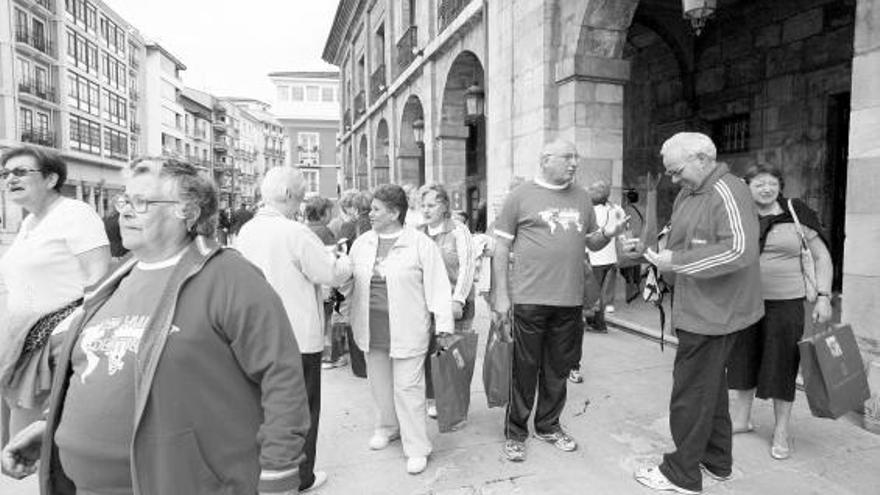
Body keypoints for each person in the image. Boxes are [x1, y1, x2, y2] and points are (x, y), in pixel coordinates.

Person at [1, 157, 311, 495]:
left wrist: (279, 476)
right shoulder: (116, 279)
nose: (126, 212)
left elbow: (282, 378)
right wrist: (49, 425)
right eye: (125, 200)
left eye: (142, 202)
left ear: (188, 213)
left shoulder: (231, 278)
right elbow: (89, 365)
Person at [634, 132, 763, 494]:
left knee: (690, 393)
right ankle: (717, 461)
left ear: (702, 159)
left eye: (676, 171)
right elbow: (677, 240)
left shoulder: (728, 190)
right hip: (699, 306)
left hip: (715, 313)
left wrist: (679, 261)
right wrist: (651, 250)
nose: (673, 179)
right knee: (710, 388)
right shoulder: (690, 192)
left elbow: (739, 250)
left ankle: (681, 474)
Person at [492, 138, 627, 462]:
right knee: (524, 370)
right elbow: (500, 249)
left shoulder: (581, 198)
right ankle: (515, 432)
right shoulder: (519, 197)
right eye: (567, 157)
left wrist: (609, 232)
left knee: (557, 369)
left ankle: (548, 425)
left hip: (570, 301)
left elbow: (592, 244)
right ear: (545, 160)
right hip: (529, 299)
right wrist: (501, 296)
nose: (574, 163)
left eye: (576, 157)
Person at [236, 168, 352, 493]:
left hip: (254, 337)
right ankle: (301, 476)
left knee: (264, 408)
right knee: (302, 409)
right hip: (297, 335)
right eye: (299, 198)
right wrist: (347, 263)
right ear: (287, 195)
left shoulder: (246, 232)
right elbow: (329, 272)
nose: (299, 205)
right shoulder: (294, 232)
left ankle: (265, 471)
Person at [341, 184, 453, 475]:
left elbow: (438, 288)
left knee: (408, 389)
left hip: (408, 327)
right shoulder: (362, 242)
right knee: (379, 384)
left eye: (377, 209)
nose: (371, 214)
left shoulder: (420, 244)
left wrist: (443, 326)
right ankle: (387, 426)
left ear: (394, 212)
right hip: (370, 326)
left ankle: (417, 447)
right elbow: (349, 282)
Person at [0, 146, 110, 439]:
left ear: (50, 179)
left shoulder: (75, 213)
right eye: (6, 173)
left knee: (40, 443)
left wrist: (72, 341)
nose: (10, 179)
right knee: (23, 442)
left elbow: (99, 280)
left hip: (57, 345)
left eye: (21, 172)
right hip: (23, 342)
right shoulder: (29, 222)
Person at [727, 164, 833, 460]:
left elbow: (822, 256)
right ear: (747, 186)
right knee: (743, 358)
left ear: (780, 185)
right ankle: (742, 419)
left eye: (772, 182)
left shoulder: (795, 212)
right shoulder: (739, 214)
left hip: (786, 304)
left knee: (782, 364)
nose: (766, 188)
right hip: (745, 302)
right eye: (759, 183)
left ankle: (781, 431)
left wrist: (824, 297)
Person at [418, 183, 477, 418]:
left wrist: (458, 300)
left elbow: (468, 266)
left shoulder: (458, 230)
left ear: (444, 206)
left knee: (454, 352)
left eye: (431, 205)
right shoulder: (418, 233)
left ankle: (455, 398)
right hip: (428, 304)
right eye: (423, 205)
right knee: (430, 352)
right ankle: (432, 398)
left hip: (455, 304)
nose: (426, 209)